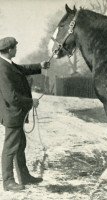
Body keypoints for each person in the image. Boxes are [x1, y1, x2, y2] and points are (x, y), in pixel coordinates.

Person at [0, 37, 50, 191]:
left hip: (16, 114)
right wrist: (31, 102)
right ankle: (8, 181)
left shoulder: (7, 64)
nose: (16, 49)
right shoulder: (2, 68)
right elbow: (12, 97)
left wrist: (40, 66)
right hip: (12, 114)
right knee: (11, 147)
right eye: (15, 47)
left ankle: (24, 176)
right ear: (9, 50)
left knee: (20, 145)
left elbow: (22, 69)